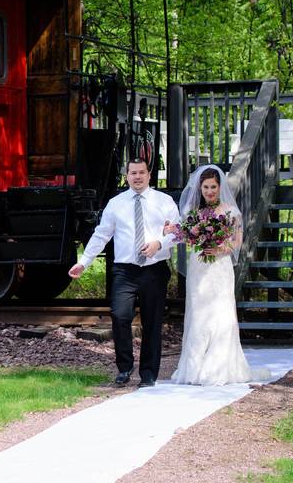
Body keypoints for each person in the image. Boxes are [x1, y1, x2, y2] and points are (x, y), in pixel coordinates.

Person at [68, 158, 180, 387]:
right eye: (133, 173)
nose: (137, 177)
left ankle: (148, 374)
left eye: (141, 172)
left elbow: (176, 233)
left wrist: (159, 243)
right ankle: (124, 368)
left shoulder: (164, 201)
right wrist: (84, 261)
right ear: (126, 176)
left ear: (150, 175)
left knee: (152, 322)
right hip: (124, 270)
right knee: (119, 316)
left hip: (154, 269)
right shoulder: (115, 203)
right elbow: (102, 235)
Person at [166, 165, 269, 385]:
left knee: (220, 314)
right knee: (198, 314)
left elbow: (236, 241)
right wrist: (174, 231)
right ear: (200, 188)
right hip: (199, 267)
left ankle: (218, 368)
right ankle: (194, 368)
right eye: (206, 187)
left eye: (213, 187)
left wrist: (219, 249)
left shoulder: (231, 211)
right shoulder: (194, 213)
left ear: (219, 187)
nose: (210, 191)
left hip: (220, 268)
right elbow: (185, 235)